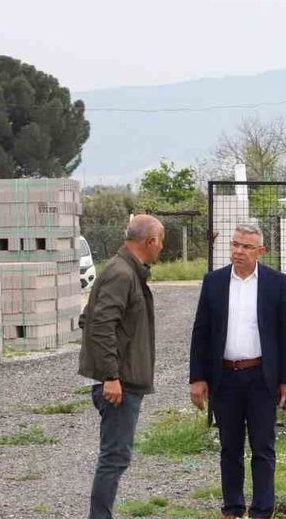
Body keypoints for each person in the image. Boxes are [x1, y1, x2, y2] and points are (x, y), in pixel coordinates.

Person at [189, 222, 286, 519]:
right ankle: (233, 508)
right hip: (224, 377)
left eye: (246, 246)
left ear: (260, 251)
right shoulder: (214, 282)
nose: (238, 251)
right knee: (230, 447)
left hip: (261, 377)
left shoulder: (275, 283)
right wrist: (197, 378)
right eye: (235, 244)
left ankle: (262, 510)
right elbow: (201, 332)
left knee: (263, 447)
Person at [78, 214, 165, 519]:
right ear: (150, 241)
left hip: (124, 380)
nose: (162, 247)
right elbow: (100, 325)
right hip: (119, 384)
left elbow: (88, 319)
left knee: (116, 457)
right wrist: (111, 376)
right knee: (114, 457)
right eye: (161, 241)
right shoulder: (122, 273)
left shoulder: (127, 270)